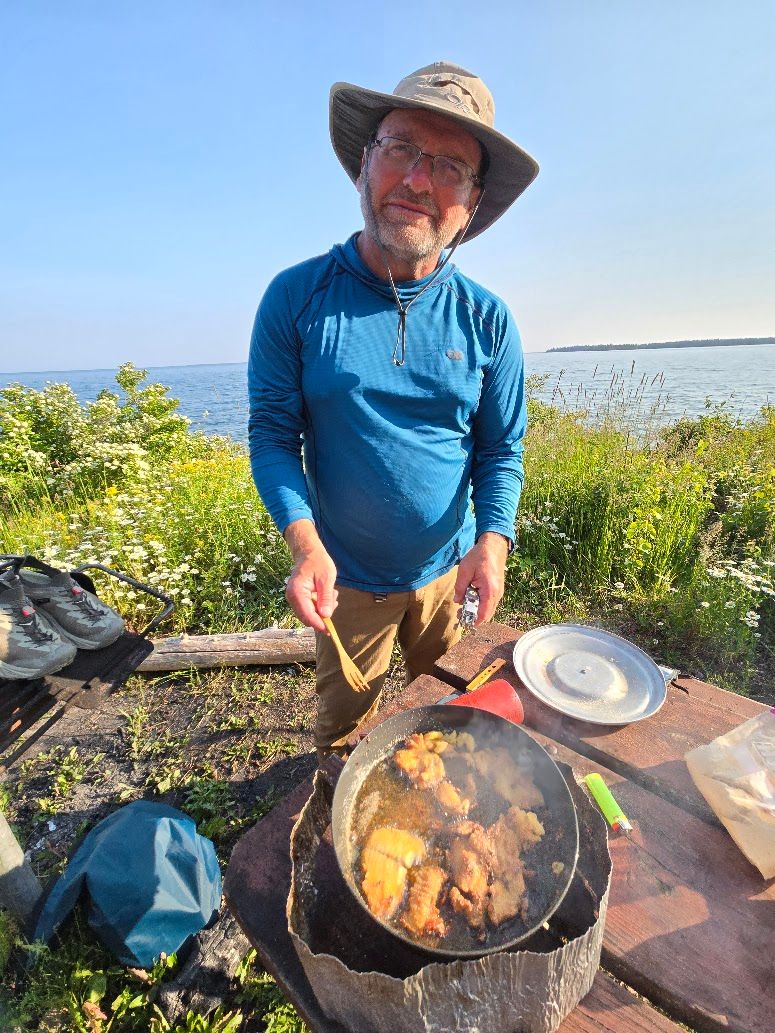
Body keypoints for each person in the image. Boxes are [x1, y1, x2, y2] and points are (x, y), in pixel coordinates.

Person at [248, 62, 539, 755]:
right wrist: (304, 544)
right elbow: (271, 435)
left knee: (447, 723)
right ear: (363, 165)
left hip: (447, 576)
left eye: (448, 167)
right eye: (401, 149)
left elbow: (500, 450)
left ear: (470, 205)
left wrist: (491, 543)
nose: (416, 180)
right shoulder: (296, 298)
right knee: (343, 735)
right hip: (343, 580)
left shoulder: (488, 319)